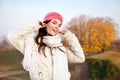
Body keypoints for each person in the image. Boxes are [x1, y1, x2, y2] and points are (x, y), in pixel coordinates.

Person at [7, 11, 85, 80]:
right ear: (45, 24)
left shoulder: (61, 49)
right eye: (54, 23)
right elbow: (12, 36)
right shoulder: (31, 46)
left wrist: (70, 37)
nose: (57, 27)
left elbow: (80, 58)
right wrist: (35, 26)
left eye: (59, 25)